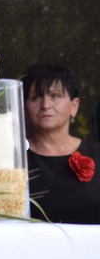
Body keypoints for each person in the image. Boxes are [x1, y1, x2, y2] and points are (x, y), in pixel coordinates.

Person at [23, 64, 100, 224]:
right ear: (24, 108)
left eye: (55, 95)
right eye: (35, 97)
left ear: (74, 106)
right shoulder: (14, 162)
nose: (45, 105)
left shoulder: (97, 154)